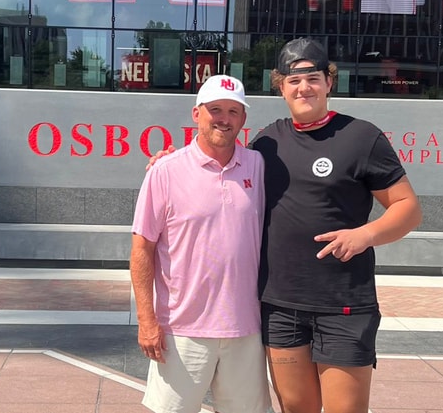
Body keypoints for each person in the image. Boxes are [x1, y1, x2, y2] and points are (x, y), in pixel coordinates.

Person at [147, 38, 423, 413]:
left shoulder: (362, 137)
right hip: (281, 308)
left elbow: (408, 208)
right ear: (281, 87)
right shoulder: (266, 144)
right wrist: (166, 161)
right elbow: (216, 163)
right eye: (293, 80)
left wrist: (364, 235)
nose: (303, 87)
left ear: (329, 81)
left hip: (343, 304)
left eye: (313, 77)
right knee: (297, 408)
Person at [130, 74, 271, 413]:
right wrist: (147, 321)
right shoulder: (165, 171)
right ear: (197, 114)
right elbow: (142, 250)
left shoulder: (258, 165)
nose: (224, 119)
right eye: (215, 109)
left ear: (243, 119)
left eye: (233, 111)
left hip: (245, 327)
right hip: (182, 330)